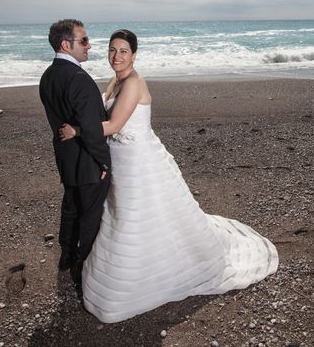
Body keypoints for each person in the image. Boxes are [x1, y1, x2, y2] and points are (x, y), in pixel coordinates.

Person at [58, 29, 279, 323]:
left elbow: (112, 126)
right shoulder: (115, 81)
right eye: (112, 50)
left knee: (138, 217)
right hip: (120, 162)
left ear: (134, 55)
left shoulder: (134, 83)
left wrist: (76, 130)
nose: (116, 56)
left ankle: (152, 276)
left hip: (139, 160)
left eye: (123, 51)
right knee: (121, 215)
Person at [39, 19, 111, 293]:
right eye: (83, 40)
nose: (89, 45)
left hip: (66, 159)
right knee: (89, 216)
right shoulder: (79, 79)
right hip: (88, 163)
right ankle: (83, 271)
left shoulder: (48, 76)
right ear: (65, 45)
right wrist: (104, 161)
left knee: (70, 208)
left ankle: (66, 255)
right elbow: (92, 128)